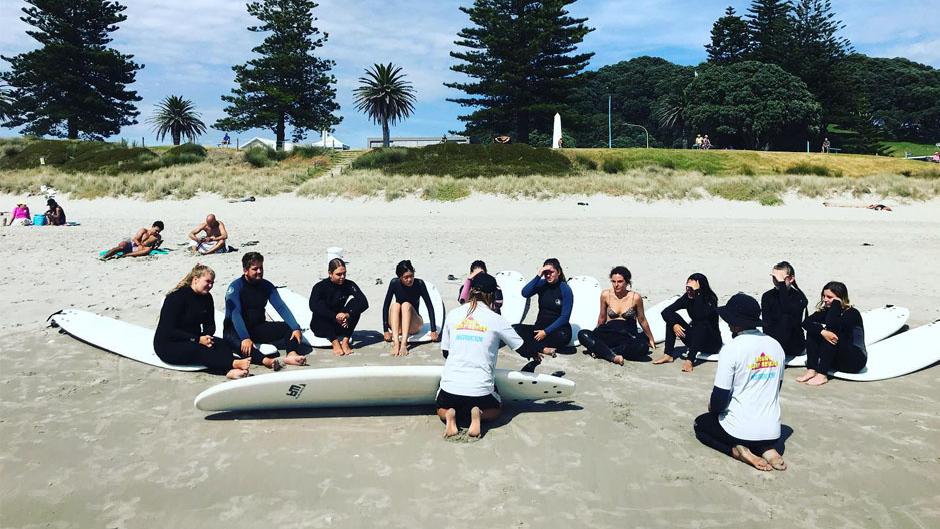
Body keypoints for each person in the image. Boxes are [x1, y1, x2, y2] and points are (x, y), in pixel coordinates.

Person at [438, 273, 544, 438]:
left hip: (450, 388)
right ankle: (479, 415)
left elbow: (446, 352)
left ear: (471, 291)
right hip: (481, 390)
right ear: (493, 295)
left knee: (441, 409)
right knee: (496, 410)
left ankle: (451, 415)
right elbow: (522, 347)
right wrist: (536, 354)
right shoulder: (496, 319)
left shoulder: (453, 314)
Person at [693, 293, 787, 472]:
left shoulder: (732, 349)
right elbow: (777, 387)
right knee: (756, 432)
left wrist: (713, 409)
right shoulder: (776, 345)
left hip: (740, 429)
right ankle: (766, 449)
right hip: (772, 431)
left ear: (735, 324)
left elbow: (720, 396)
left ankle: (736, 450)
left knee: (701, 424)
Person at [154, 264, 250, 379]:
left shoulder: (207, 298)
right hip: (168, 344)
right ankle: (231, 366)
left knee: (222, 344)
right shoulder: (176, 298)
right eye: (207, 281)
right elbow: (168, 330)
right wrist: (197, 339)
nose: (210, 286)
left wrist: (207, 337)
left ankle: (228, 368)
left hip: (195, 339)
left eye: (212, 283)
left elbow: (210, 324)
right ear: (195, 280)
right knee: (197, 350)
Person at [223, 252, 307, 370]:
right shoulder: (236, 287)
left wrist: (295, 327)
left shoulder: (267, 286)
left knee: (288, 328)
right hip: (235, 330)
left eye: (261, 268)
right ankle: (266, 361)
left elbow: (280, 307)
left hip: (257, 328)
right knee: (241, 345)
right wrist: (245, 337)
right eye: (255, 269)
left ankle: (291, 354)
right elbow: (235, 313)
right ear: (245, 270)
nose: (259, 271)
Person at [578, 266, 655, 365]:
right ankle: (612, 357)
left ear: (627, 282)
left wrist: (651, 338)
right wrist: (594, 333)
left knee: (642, 347)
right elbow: (602, 318)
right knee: (582, 334)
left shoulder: (635, 298)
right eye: (613, 281)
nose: (616, 285)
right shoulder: (605, 295)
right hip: (608, 332)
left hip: (627, 336)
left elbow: (642, 320)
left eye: (620, 281)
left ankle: (603, 351)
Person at [797, 281, 866, 386]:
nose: (825, 299)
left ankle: (822, 375)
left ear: (840, 298)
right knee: (814, 331)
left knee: (832, 333)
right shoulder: (827, 311)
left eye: (829, 297)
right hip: (836, 360)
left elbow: (833, 324)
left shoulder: (852, 313)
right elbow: (806, 322)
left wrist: (836, 304)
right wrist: (821, 331)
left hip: (855, 360)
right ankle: (811, 370)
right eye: (824, 296)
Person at [653, 273, 723, 372]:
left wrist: (697, 293)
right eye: (687, 287)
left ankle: (690, 360)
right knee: (672, 319)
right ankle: (668, 355)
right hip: (695, 339)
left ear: (700, 288)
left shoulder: (710, 298)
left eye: (692, 288)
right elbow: (666, 311)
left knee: (701, 324)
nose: (689, 291)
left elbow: (701, 316)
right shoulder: (687, 297)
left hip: (711, 343)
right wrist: (674, 325)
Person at [513, 258, 573, 361]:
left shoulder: (565, 289)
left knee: (563, 336)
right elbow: (525, 293)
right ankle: (543, 349)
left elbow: (565, 317)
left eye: (551, 272)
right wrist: (538, 276)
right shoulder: (542, 284)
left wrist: (545, 332)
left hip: (556, 331)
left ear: (558, 272)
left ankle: (535, 346)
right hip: (539, 329)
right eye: (546, 273)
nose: (548, 275)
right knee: (514, 329)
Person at [309, 258, 369, 356]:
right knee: (321, 308)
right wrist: (335, 316)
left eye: (344, 273)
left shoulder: (349, 284)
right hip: (321, 326)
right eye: (338, 274)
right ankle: (335, 343)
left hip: (340, 324)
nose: (342, 277)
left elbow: (364, 302)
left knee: (355, 304)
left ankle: (345, 341)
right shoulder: (320, 287)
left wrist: (347, 314)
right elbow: (313, 306)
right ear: (330, 273)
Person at [382, 260, 438, 356]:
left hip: (414, 325)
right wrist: (386, 330)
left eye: (411, 276)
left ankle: (403, 344)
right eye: (406, 277)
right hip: (398, 326)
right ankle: (396, 343)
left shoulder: (419, 284)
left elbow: (429, 306)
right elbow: (385, 306)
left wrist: (433, 330)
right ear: (400, 277)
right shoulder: (394, 283)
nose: (409, 279)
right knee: (395, 305)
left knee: (406, 305)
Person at [760, 261, 808, 358]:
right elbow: (766, 324)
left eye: (780, 278)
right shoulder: (767, 296)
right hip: (774, 342)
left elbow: (787, 310)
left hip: (794, 343)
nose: (776, 281)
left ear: (791, 278)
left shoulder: (799, 297)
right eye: (774, 277)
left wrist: (782, 284)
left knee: (785, 318)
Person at [100, 221, 164, 260]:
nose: (157, 233)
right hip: (132, 244)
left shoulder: (158, 237)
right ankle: (104, 257)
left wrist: (157, 245)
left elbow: (155, 247)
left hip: (139, 249)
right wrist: (139, 244)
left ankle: (125, 255)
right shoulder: (144, 230)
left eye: (159, 231)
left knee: (148, 250)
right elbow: (134, 239)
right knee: (122, 246)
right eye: (156, 230)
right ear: (152, 226)